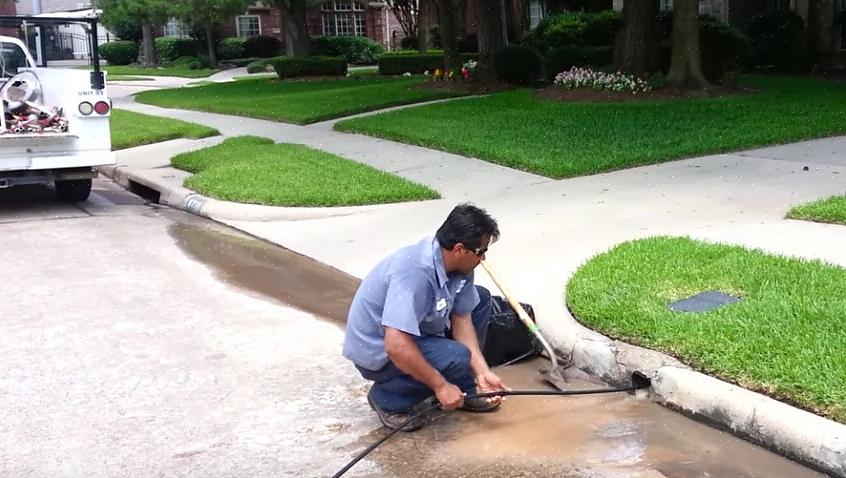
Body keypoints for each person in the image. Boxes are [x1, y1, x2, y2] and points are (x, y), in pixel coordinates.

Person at [342, 203, 510, 431]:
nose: (483, 259)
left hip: (416, 332)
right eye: (481, 252)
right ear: (460, 249)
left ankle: (463, 387)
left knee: (480, 300)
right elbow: (396, 345)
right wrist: (440, 386)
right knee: (457, 356)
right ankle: (388, 399)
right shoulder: (414, 274)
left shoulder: (461, 267)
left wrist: (482, 371)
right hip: (378, 351)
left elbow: (462, 319)